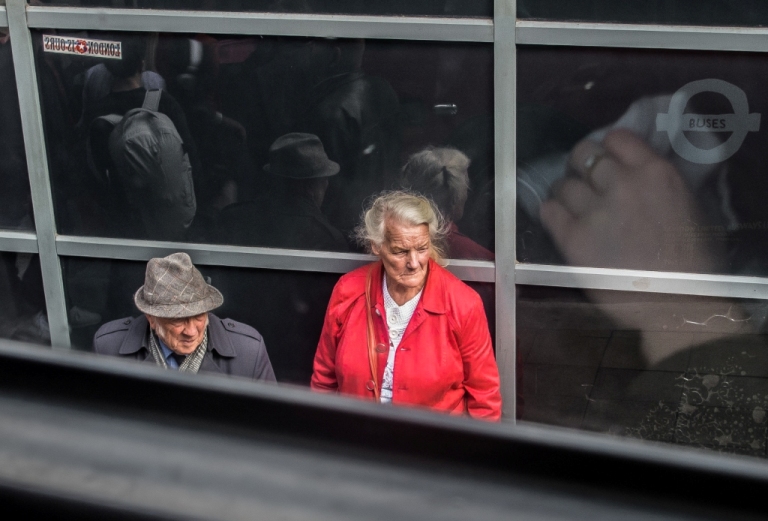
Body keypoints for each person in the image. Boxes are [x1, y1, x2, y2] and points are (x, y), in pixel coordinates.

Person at [310, 191, 502, 420]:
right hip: (359, 444)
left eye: (422, 249)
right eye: (400, 251)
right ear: (377, 246)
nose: (414, 263)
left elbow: (485, 397)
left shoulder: (463, 304)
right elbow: (324, 381)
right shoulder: (348, 291)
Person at [93, 252, 276, 381]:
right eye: (178, 320)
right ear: (151, 319)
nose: (191, 331)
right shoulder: (108, 348)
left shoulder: (249, 352)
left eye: (198, 317)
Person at [219, 132, 348, 251]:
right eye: (325, 179)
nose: (327, 185)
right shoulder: (327, 239)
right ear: (312, 185)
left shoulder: (233, 218)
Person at [400, 146, 494, 260]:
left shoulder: (390, 239)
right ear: (455, 198)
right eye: (466, 188)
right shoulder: (475, 255)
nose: (468, 193)